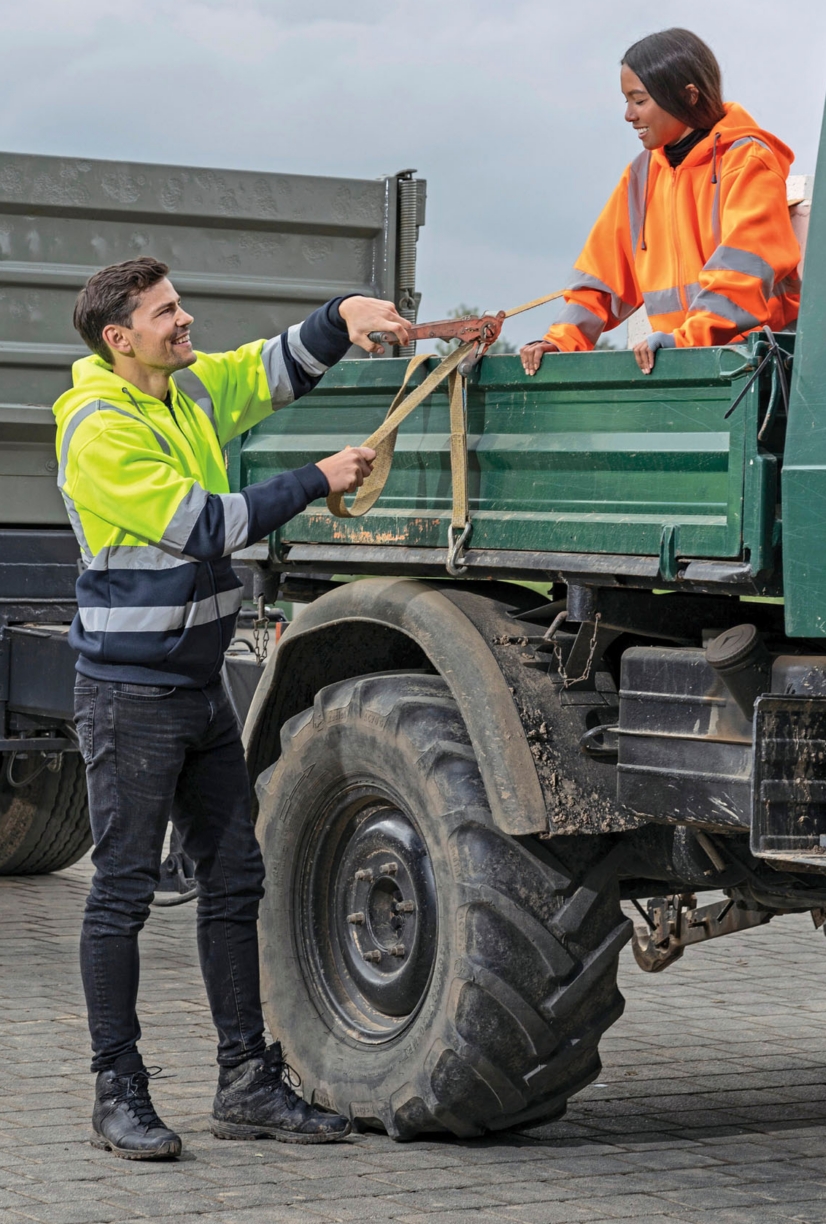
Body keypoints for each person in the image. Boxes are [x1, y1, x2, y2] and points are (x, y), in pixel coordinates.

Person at [53, 256, 411, 1158]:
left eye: (179, 305)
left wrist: (343, 314)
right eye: (166, 311)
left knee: (235, 881)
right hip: (129, 698)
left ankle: (247, 1082)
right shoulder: (98, 428)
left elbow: (268, 366)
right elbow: (203, 525)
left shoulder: (187, 392)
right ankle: (118, 1093)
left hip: (196, 690)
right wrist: (317, 478)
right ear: (118, 337)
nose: (185, 319)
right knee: (123, 894)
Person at [521, 28, 801, 376]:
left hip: (756, 368)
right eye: (626, 101)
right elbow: (601, 281)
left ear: (689, 96)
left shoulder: (746, 162)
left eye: (639, 101)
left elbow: (741, 276)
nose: (628, 115)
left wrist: (685, 340)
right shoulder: (640, 177)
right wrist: (561, 341)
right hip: (676, 368)